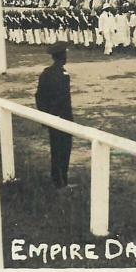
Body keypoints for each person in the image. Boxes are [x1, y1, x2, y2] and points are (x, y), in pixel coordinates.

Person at [36, 41, 74, 188]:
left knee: (55, 149)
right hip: (63, 117)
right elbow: (63, 100)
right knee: (63, 150)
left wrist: (45, 116)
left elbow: (39, 96)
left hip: (51, 117)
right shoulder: (63, 75)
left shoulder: (46, 72)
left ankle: (57, 179)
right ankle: (61, 181)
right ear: (62, 56)